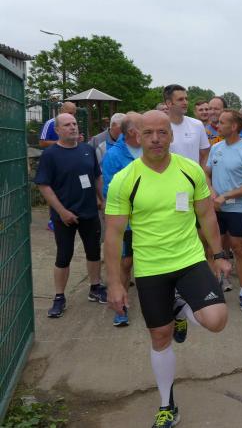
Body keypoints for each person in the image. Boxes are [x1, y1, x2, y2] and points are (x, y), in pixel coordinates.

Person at [104, 110, 230, 428]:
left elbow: (207, 215)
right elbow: (113, 235)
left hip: (189, 260)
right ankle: (167, 405)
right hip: (150, 268)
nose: (156, 139)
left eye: (162, 132)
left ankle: (179, 310)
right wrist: (115, 283)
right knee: (160, 337)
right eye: (149, 133)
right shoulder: (125, 179)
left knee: (216, 319)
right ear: (138, 136)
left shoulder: (190, 170)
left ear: (171, 135)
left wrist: (218, 254)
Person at [35, 113, 106, 318]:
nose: (73, 127)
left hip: (89, 212)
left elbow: (97, 176)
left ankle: (95, 288)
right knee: (63, 256)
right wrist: (62, 211)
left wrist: (101, 199)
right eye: (67, 125)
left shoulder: (87, 150)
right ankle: (59, 297)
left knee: (94, 252)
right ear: (57, 130)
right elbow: (44, 186)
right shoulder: (50, 155)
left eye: (74, 123)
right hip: (64, 216)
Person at [205, 109, 242, 312]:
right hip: (216, 208)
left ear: (234, 126)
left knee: (238, 248)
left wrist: (226, 196)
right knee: (214, 248)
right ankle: (215, 287)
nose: (217, 125)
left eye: (221, 122)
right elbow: (206, 173)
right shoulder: (216, 148)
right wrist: (212, 191)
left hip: (236, 208)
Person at [101, 112, 142, 327]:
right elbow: (110, 190)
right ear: (133, 132)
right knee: (125, 263)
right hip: (127, 221)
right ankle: (121, 306)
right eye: (144, 127)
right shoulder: (113, 155)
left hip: (151, 219)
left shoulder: (151, 150)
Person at [164, 84, 211, 167]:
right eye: (180, 99)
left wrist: (202, 172)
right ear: (169, 103)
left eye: (186, 99)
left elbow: (205, 154)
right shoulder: (160, 127)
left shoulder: (197, 124)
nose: (185, 102)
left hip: (193, 175)